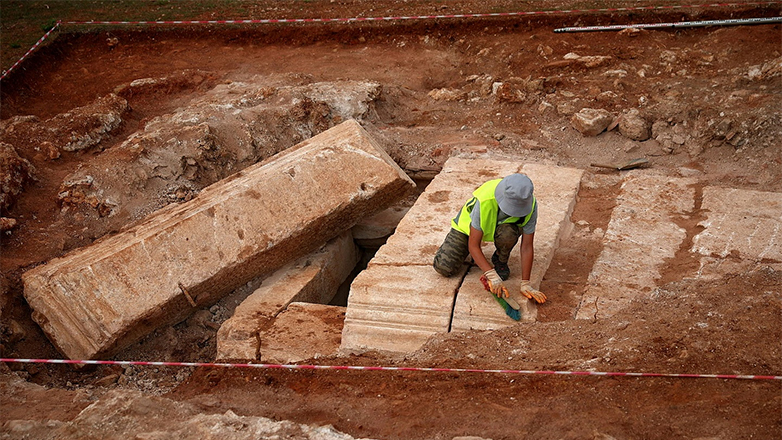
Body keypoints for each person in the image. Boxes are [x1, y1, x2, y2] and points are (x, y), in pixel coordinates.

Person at [433, 173, 547, 304]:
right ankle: (465, 252)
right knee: (444, 267)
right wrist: (490, 274)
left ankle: (500, 259)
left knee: (508, 234)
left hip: (502, 231)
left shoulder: (530, 205)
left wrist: (526, 283)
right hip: (467, 230)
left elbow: (527, 246)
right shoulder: (485, 200)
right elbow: (474, 245)